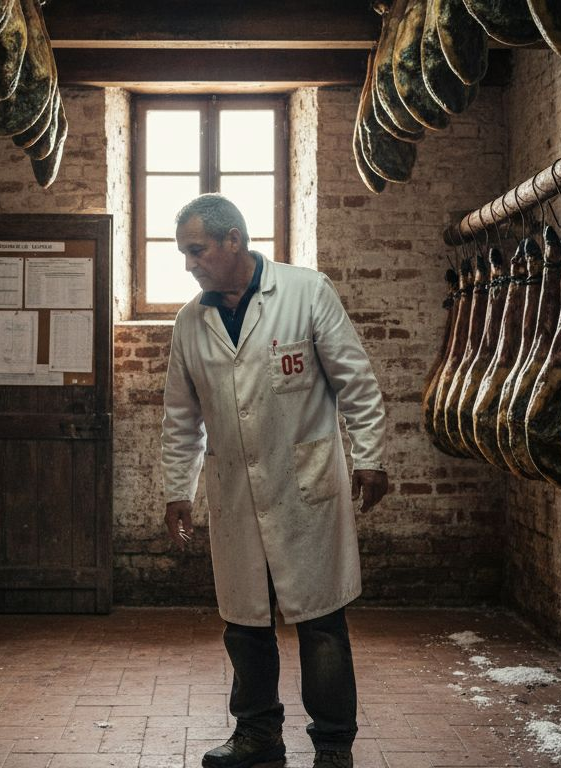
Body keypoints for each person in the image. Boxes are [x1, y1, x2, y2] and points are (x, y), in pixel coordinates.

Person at [161, 193, 390, 768]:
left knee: (321, 625)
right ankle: (257, 735)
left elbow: (356, 384)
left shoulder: (306, 292)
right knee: (245, 626)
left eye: (196, 250)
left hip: (305, 488)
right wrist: (175, 491)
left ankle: (334, 744)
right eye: (185, 253)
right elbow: (181, 418)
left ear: (232, 240)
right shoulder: (191, 323)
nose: (190, 264)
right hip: (237, 494)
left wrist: (369, 457)